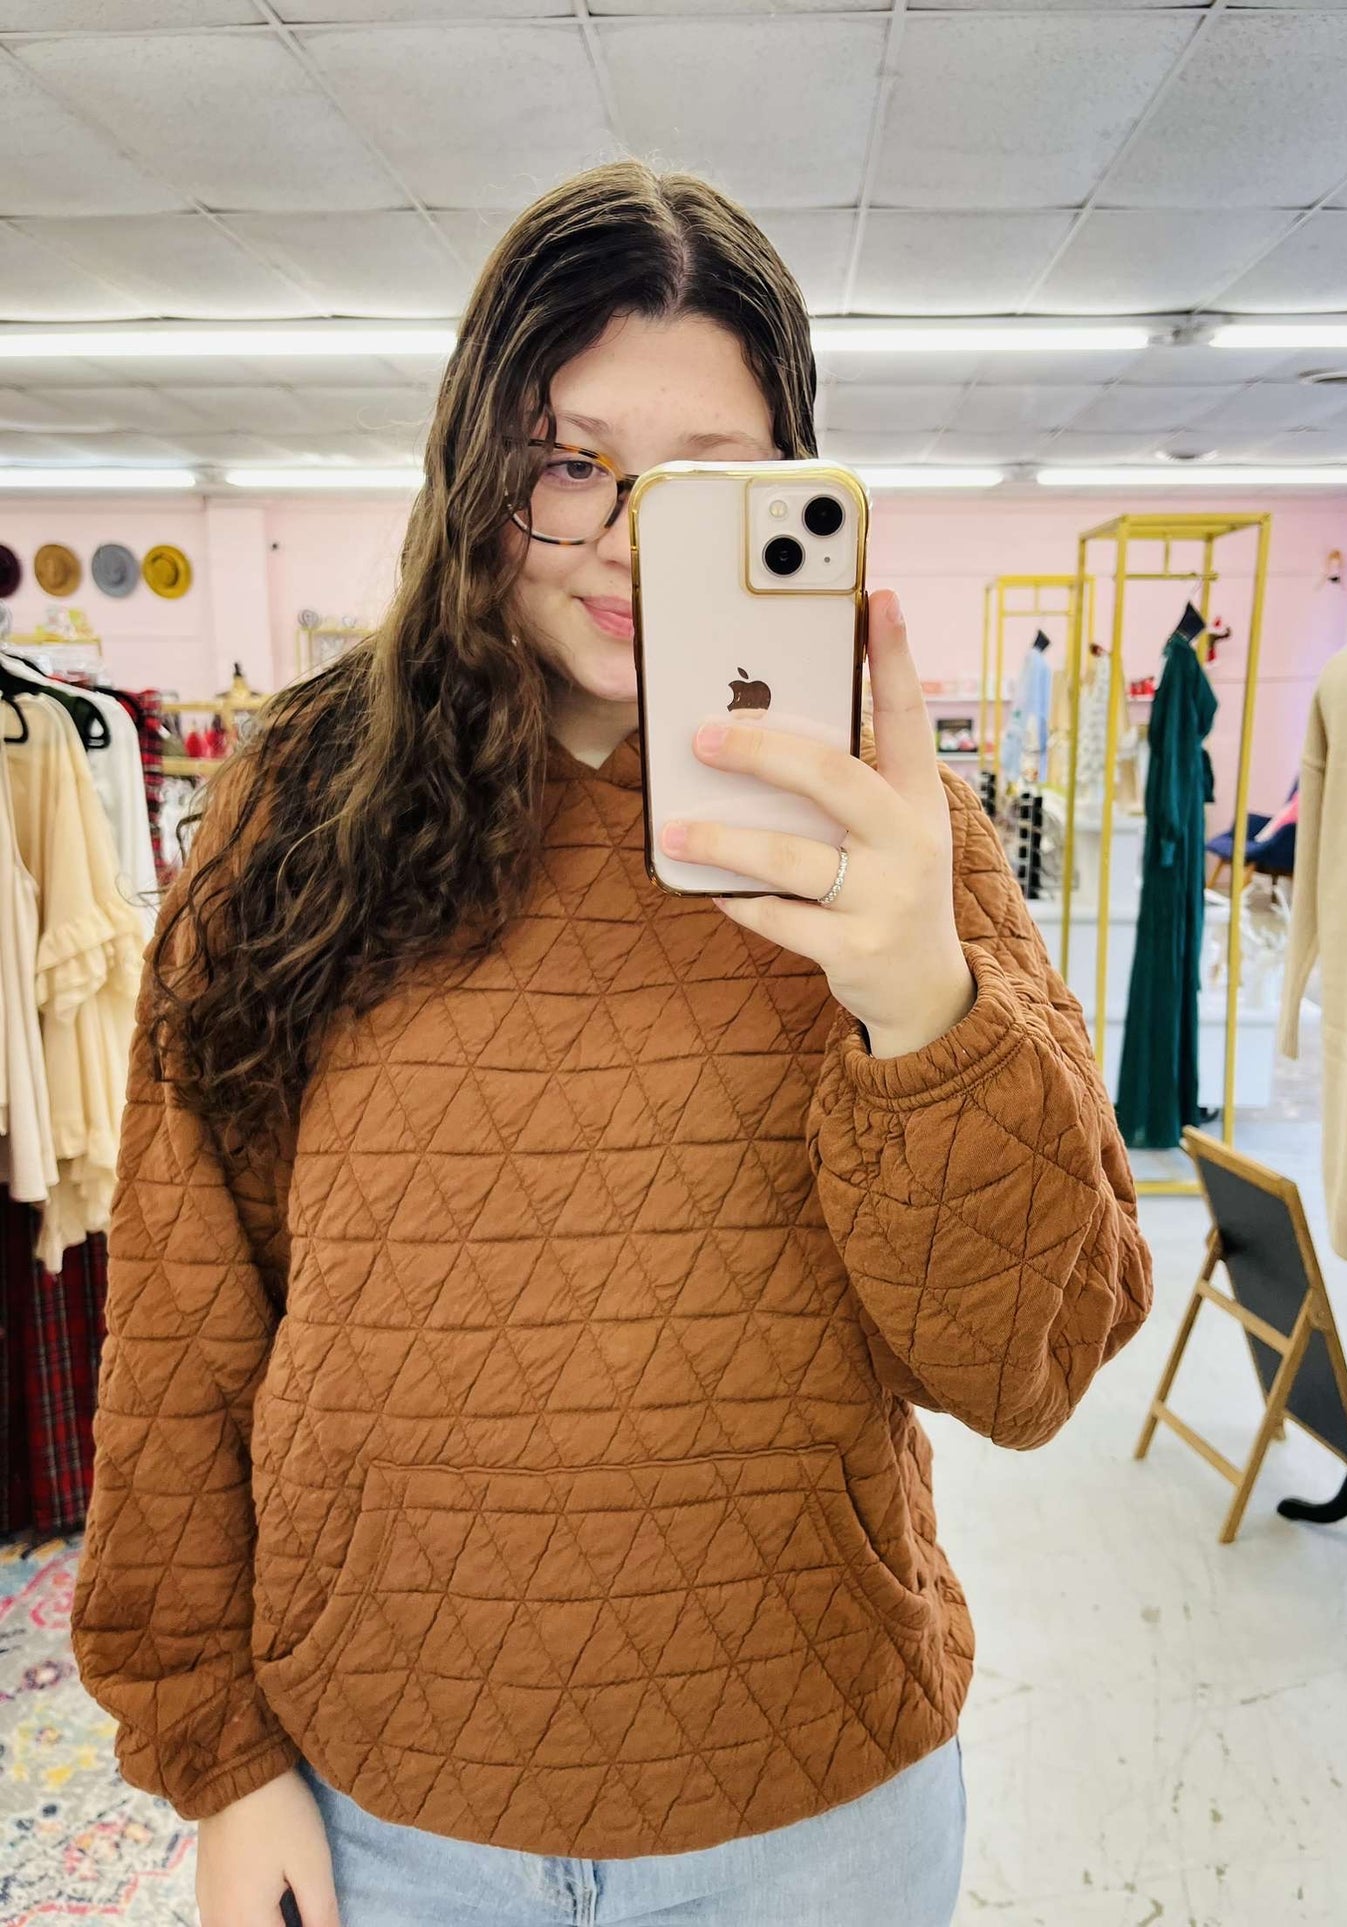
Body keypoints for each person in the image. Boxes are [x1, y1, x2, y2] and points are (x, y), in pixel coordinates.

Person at [69, 159, 1153, 1927]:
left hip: (814, 1796)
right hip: (387, 1799)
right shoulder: (300, 806)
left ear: (796, 494)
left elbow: (1028, 1370)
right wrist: (220, 1757)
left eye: (710, 486)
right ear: (474, 468)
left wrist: (919, 1006)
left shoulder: (897, 829)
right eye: (570, 464)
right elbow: (189, 1313)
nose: (633, 544)